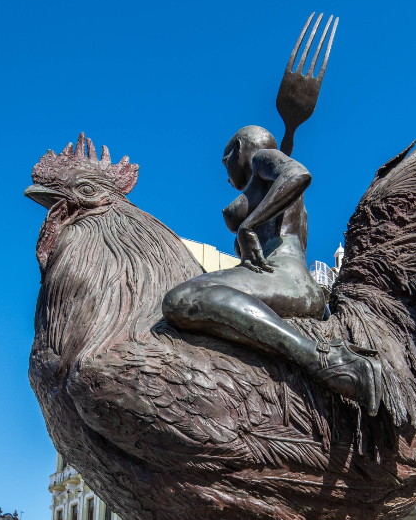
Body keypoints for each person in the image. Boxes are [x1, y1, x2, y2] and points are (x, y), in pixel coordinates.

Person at [161, 125, 381, 415]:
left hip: (285, 278)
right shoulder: (266, 181)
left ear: (239, 149)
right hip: (287, 283)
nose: (224, 172)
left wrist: (248, 225)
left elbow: (298, 174)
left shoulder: (261, 158)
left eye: (225, 158)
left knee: (182, 298)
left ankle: (319, 357)